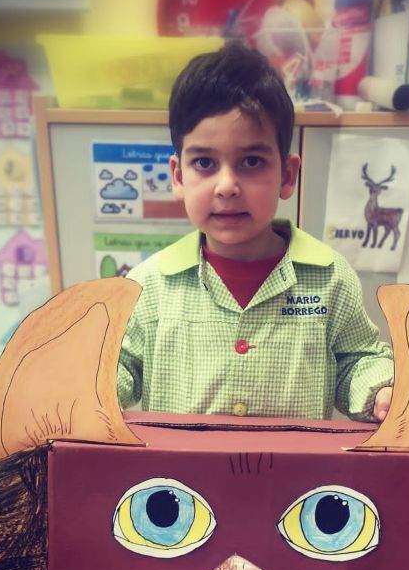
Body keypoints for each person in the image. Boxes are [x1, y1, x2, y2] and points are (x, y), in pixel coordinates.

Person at [119, 40, 393, 423]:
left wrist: (379, 389)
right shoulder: (147, 286)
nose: (226, 186)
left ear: (288, 175)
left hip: (292, 464)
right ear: (178, 177)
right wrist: (82, 384)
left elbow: (356, 361)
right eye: (204, 163)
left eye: (251, 161)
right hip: (181, 465)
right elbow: (117, 366)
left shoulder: (330, 278)